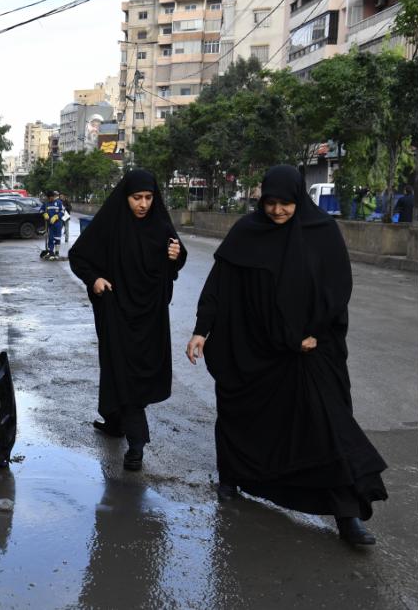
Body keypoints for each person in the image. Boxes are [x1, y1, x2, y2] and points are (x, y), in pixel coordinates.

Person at [185, 164, 388, 546]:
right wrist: (202, 329)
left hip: (310, 350)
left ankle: (347, 516)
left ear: (299, 199)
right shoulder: (247, 232)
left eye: (286, 203)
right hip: (255, 347)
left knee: (327, 426)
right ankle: (232, 477)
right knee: (243, 415)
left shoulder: (322, 232)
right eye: (270, 203)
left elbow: (336, 290)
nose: (277, 210)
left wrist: (312, 333)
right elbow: (219, 286)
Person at [69, 170, 186, 471]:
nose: (143, 204)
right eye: (137, 198)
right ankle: (137, 444)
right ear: (125, 197)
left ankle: (114, 422)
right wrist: (94, 279)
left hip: (151, 317)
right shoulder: (111, 224)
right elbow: (78, 256)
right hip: (117, 312)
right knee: (121, 371)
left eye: (148, 197)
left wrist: (176, 256)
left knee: (131, 372)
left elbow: (176, 259)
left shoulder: (160, 225)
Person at [41, 191, 66, 260]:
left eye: (50, 198)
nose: (49, 199)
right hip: (50, 224)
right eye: (48, 198)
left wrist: (57, 216)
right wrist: (44, 214)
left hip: (58, 224)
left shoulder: (59, 203)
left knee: (57, 238)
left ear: (53, 197)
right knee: (51, 238)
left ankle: (57, 252)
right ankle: (51, 252)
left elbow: (63, 211)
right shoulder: (46, 203)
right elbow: (41, 210)